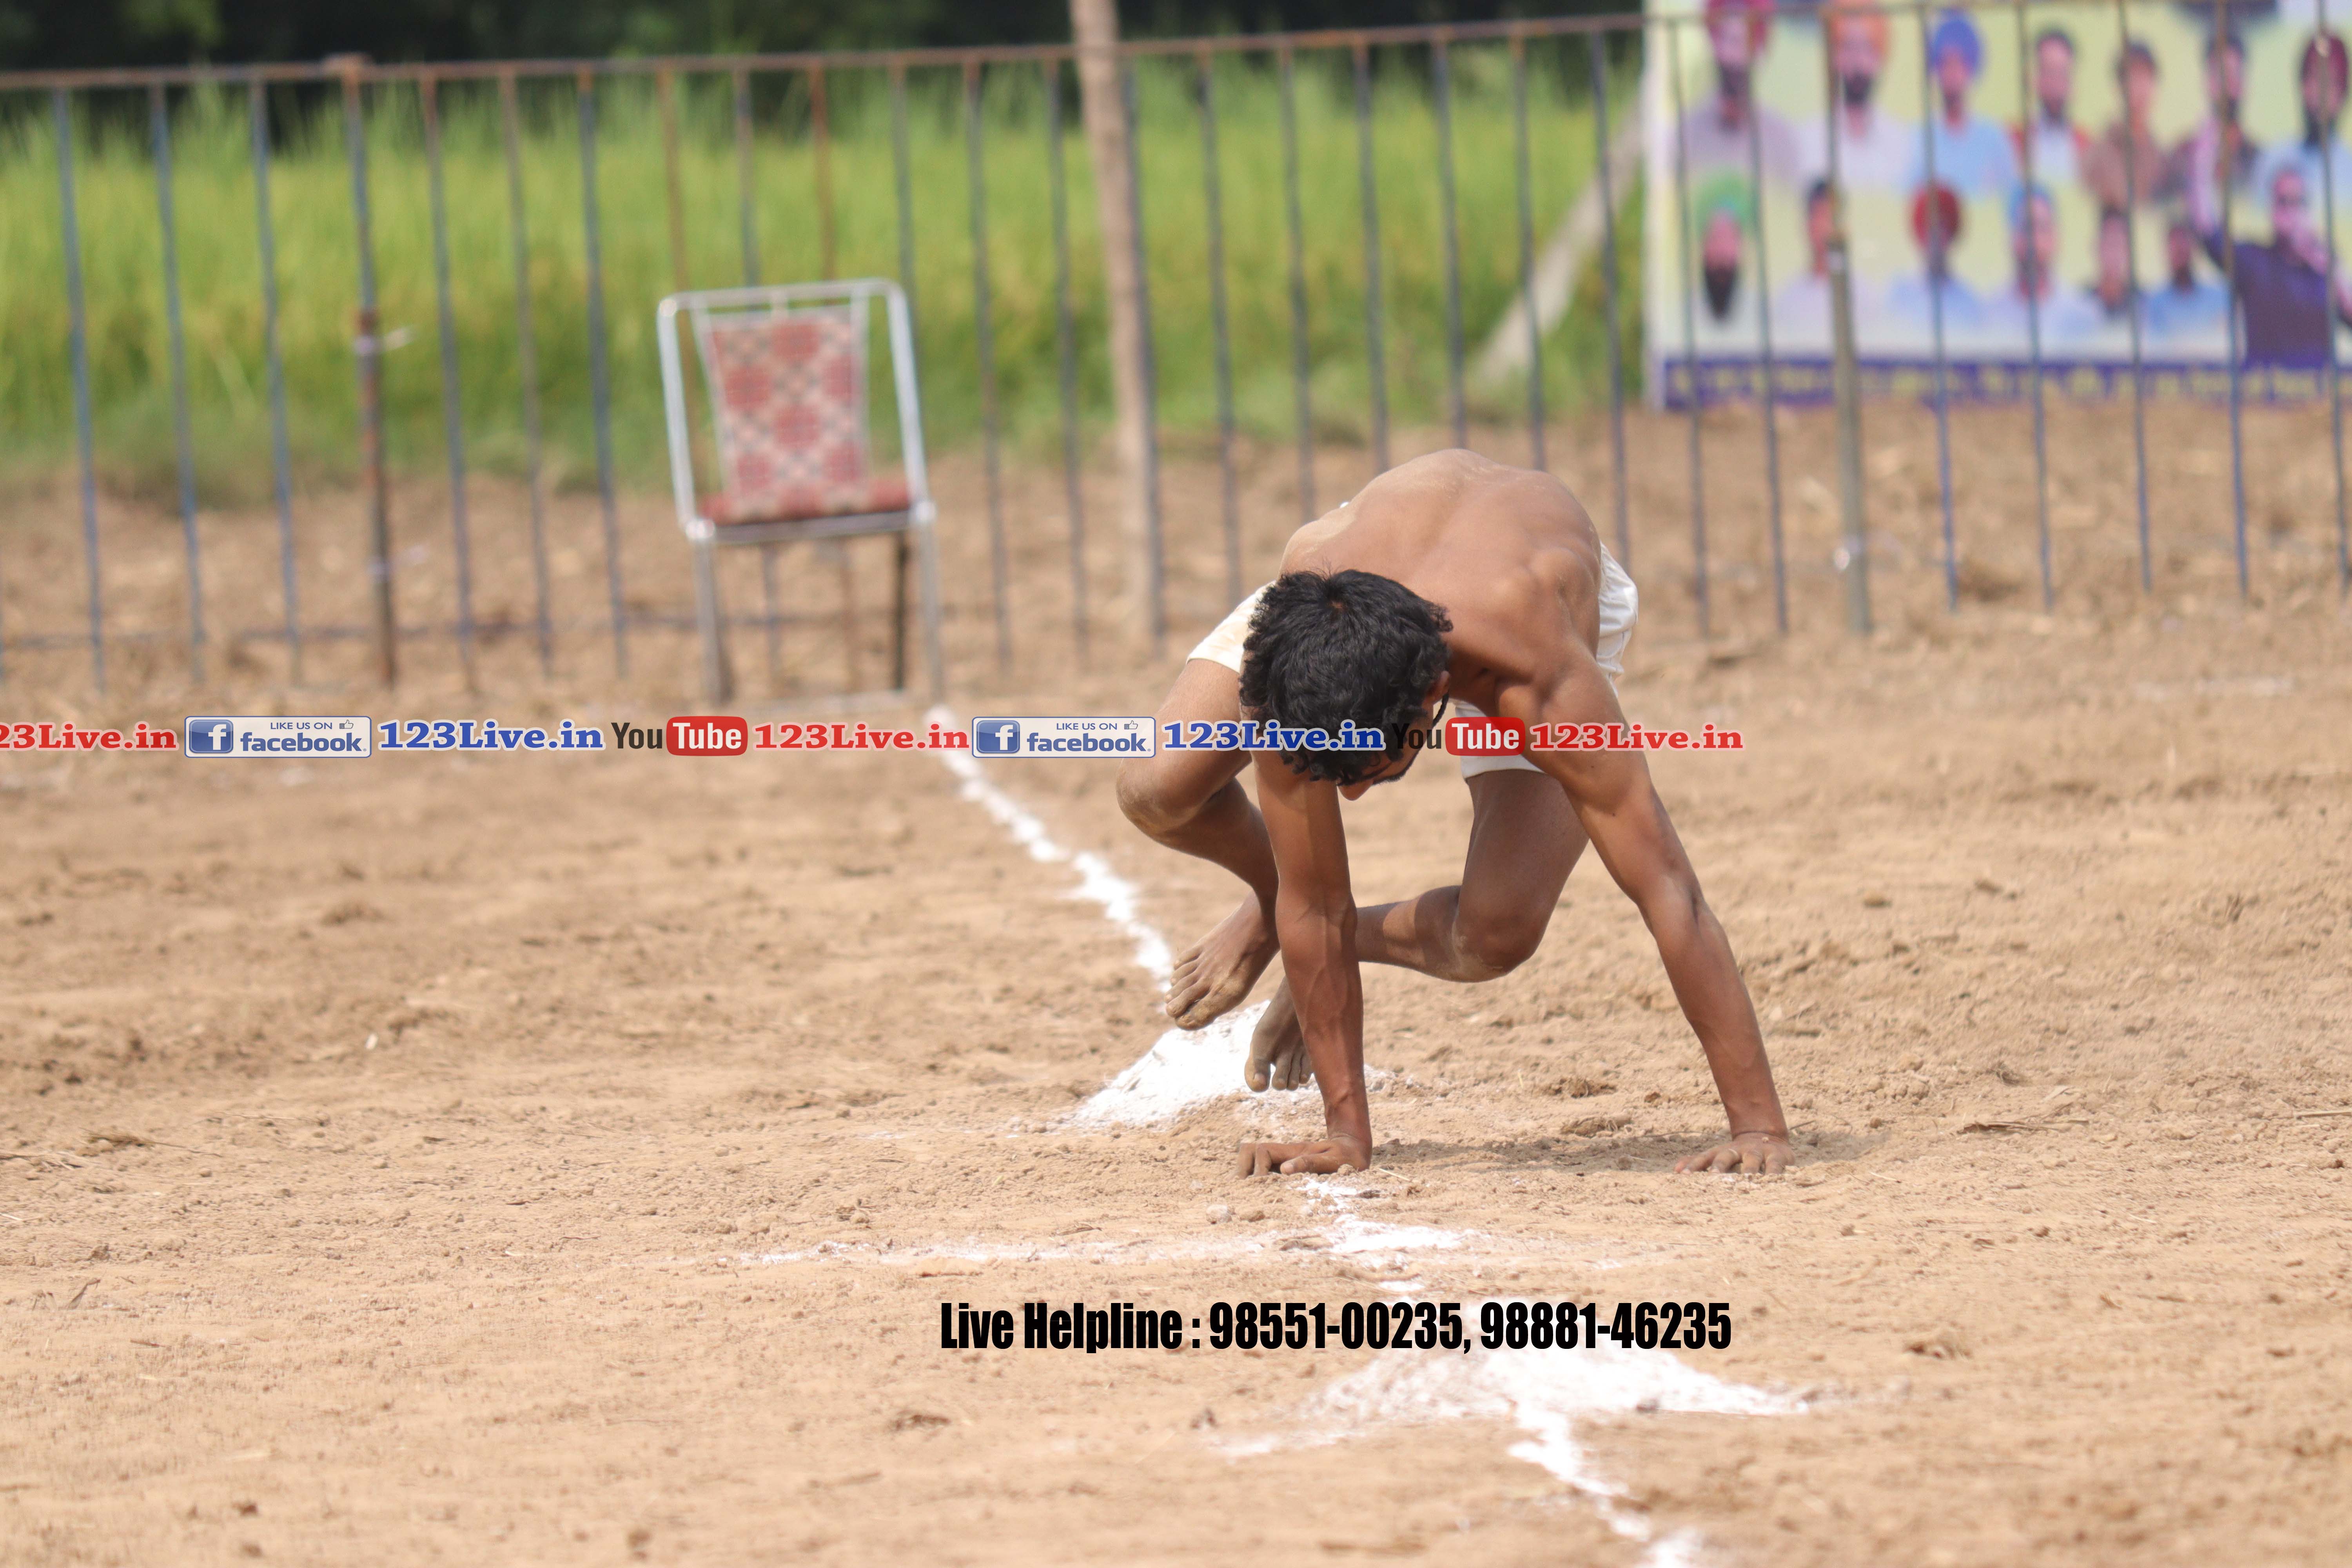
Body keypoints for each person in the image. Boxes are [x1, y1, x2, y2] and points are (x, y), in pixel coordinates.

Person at [1116, 450, 1793, 1179]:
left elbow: (1669, 888)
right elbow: (1316, 905)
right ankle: (1271, 908)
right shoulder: (1299, 635)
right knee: (1157, 788)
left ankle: (1309, 935)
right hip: (1347, 594)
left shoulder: (1538, 673)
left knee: (1497, 932)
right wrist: (1345, 1135)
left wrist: (1757, 1124)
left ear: (1435, 696)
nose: (1350, 798)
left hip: (1522, 589)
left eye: (1369, 772)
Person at [2190, 160, 2352, 368]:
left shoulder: (2324, 268)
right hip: (2265, 385)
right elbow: (2207, 230)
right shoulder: (2254, 262)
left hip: (2317, 387)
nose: (2290, 211)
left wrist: (2333, 271)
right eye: (2283, 202)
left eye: (2298, 201)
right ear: (2272, 208)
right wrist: (2201, 165)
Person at [1680, 0, 1802, 185]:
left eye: (1745, 42)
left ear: (1761, 51)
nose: (1735, 56)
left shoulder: (1781, 141)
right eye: (1729, 39)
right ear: (1714, 43)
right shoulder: (1687, 135)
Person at [1798, 0, 1915, 190]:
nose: (1857, 62)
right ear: (1834, 57)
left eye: (1866, 48)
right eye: (1849, 47)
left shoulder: (1900, 141)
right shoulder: (1813, 136)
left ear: (1879, 58)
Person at [1913, 10, 2020, 198]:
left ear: (1971, 68)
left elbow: (2012, 196)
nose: (1952, 74)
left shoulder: (1994, 139)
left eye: (1959, 64)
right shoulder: (1921, 139)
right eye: (1945, 64)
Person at [1773, 176, 1881, 346]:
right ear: (1807, 225)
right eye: (1819, 217)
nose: (1825, 227)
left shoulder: (1864, 297)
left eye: (1831, 218)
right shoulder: (1788, 301)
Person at [2256, 31, 2352, 220]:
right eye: (2315, 79)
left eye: (2331, 82)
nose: (2321, 94)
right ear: (2302, 85)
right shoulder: (2272, 160)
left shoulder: (2349, 172)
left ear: (2343, 94)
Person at [2084, 39, 2187, 212]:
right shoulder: (2099, 156)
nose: (2140, 89)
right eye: (2133, 78)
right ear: (2119, 86)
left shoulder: (2162, 159)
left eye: (2146, 79)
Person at [2177, 28, 2264, 222]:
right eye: (2220, 75)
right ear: (2206, 82)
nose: (2227, 85)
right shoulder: (2183, 157)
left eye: (2234, 74)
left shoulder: (2259, 161)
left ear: (2245, 83)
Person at [1884, 182, 1988, 340]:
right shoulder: (1899, 295)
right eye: (1929, 227)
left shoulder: (1969, 304)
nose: (1935, 238)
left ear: (1952, 233)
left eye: (1941, 227)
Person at [2045, 205, 2139, 348]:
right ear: (2097, 247)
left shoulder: (2142, 307)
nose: (2114, 253)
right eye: (2110, 243)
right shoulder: (2079, 304)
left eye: (2120, 244)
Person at [1985, 182, 2062, 344]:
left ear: (2054, 237)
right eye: (2027, 228)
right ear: (2012, 237)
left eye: (2042, 228)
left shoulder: (2079, 315)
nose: (2034, 240)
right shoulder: (1989, 316)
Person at [2014, 27, 2091, 187]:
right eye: (2049, 72)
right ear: (2035, 79)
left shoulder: (2088, 148)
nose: (2055, 84)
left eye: (2062, 73)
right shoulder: (2014, 143)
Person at [2142, 215, 2231, 341]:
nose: (2181, 254)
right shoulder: (2155, 303)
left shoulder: (2218, 297)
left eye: (2184, 248)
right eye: (2176, 250)